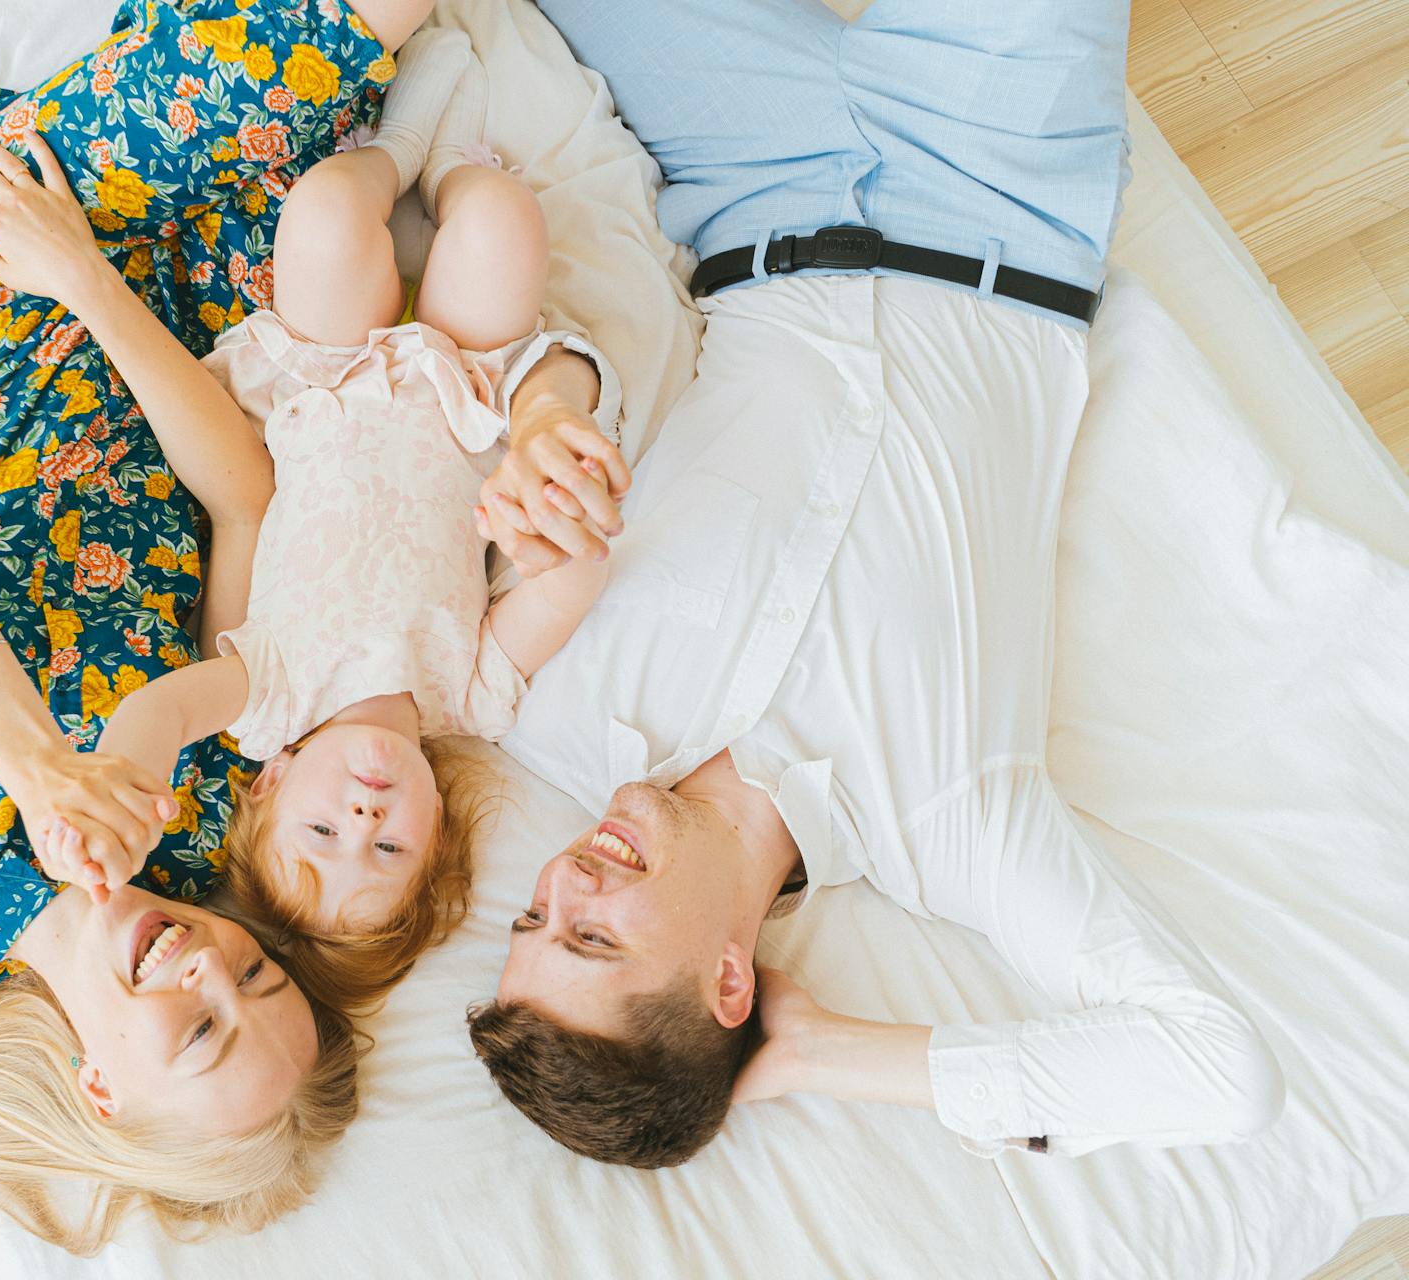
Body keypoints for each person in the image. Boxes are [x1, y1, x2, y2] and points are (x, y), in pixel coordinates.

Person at [465, 0, 1287, 1168]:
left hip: (746, 173)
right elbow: (1220, 1069)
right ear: (730, 981)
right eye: (592, 938)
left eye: (533, 915)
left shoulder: (547, 709)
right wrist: (818, 1052)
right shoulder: (952, 822)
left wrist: (539, 438)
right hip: (998, 192)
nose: (566, 880)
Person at [0, 0, 440, 1252]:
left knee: (303, 49)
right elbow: (243, 493)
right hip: (173, 323)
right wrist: (90, 279)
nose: (206, 967)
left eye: (200, 1032)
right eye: (254, 977)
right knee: (351, 57)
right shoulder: (204, 820)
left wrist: (33, 762)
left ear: (102, 1090)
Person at [73, 34, 627, 1017]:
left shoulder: (263, 699)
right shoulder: (471, 693)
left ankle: (402, 149)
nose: (361, 814)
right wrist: (544, 528)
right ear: (440, 829)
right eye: (387, 845)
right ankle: (461, 174)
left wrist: (129, 780)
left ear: (270, 784)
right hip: (461, 389)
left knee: (326, 210)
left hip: (321, 380)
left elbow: (162, 710)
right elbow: (575, 580)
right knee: (504, 223)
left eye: (320, 833)